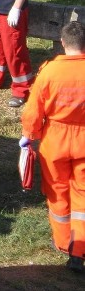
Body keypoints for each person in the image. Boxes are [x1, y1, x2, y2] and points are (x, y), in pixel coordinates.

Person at [19, 20, 85, 272]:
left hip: (54, 140)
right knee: (83, 194)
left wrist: (29, 136)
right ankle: (79, 252)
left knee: (57, 192)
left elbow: (34, 111)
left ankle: (63, 243)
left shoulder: (49, 71)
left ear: (62, 43)